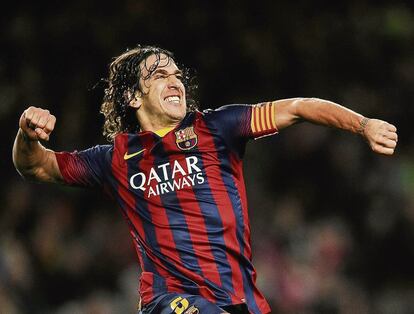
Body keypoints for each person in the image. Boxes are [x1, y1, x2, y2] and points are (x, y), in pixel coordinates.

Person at [12, 45, 398, 314]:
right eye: (160, 75)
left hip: (239, 299)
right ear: (133, 96)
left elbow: (297, 108)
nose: (174, 81)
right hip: (171, 301)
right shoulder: (115, 158)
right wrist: (28, 136)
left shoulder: (218, 128)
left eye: (177, 74)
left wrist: (362, 124)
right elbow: (37, 167)